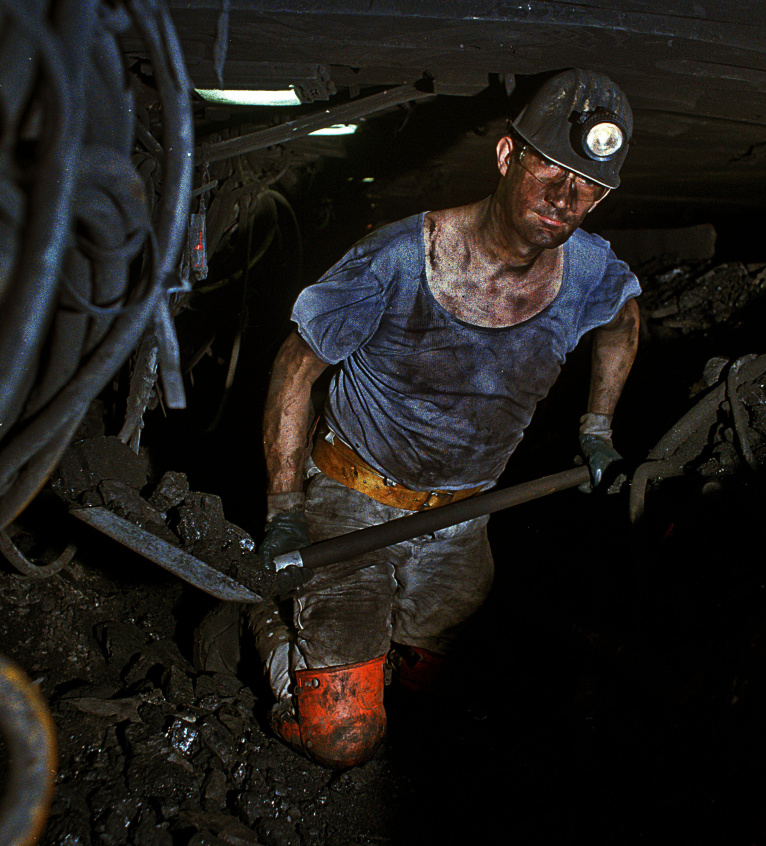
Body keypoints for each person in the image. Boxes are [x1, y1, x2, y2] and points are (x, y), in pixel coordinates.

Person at [247, 68, 641, 768]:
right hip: (353, 508)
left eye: (587, 185)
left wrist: (597, 429)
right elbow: (295, 366)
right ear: (506, 155)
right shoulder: (398, 259)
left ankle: (372, 651)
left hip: (463, 522)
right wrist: (285, 508)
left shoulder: (588, 271)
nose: (564, 197)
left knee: (455, 710)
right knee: (344, 737)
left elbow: (623, 321)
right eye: (550, 169)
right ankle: (263, 618)